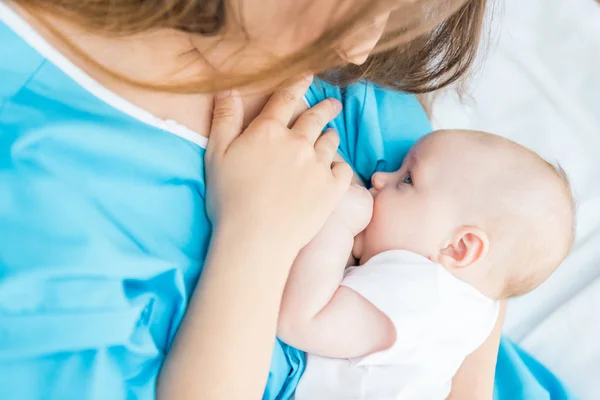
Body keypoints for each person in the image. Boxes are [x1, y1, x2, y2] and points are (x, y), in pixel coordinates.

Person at [0, 0, 575, 399]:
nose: (362, 46)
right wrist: (255, 239)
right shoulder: (47, 195)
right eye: (370, 11)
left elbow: (493, 247)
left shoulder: (346, 82)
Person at [276, 130, 575, 399]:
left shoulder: (419, 294)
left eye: (406, 179)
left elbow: (300, 322)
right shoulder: (477, 307)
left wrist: (339, 221)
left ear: (459, 248)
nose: (380, 179)